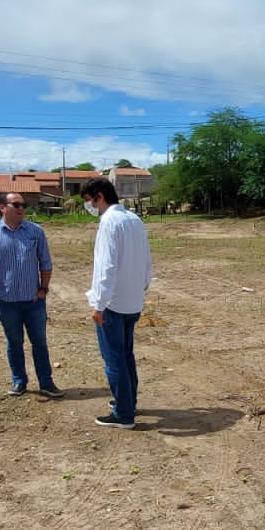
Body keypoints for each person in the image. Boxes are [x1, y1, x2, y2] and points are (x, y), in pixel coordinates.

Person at [0, 192, 63, 399]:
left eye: (23, 204)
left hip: (34, 302)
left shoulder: (35, 232)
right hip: (7, 302)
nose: (21, 208)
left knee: (39, 343)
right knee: (14, 343)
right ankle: (19, 381)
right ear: (2, 208)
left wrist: (44, 289)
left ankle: (46, 382)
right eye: (15, 204)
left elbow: (46, 263)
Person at [83, 177, 152, 429]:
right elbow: (147, 260)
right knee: (125, 356)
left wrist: (98, 304)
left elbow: (106, 267)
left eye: (89, 201)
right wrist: (141, 287)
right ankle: (127, 401)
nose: (89, 206)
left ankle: (124, 414)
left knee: (114, 360)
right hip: (132, 301)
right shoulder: (134, 220)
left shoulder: (109, 222)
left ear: (99, 196)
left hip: (112, 304)